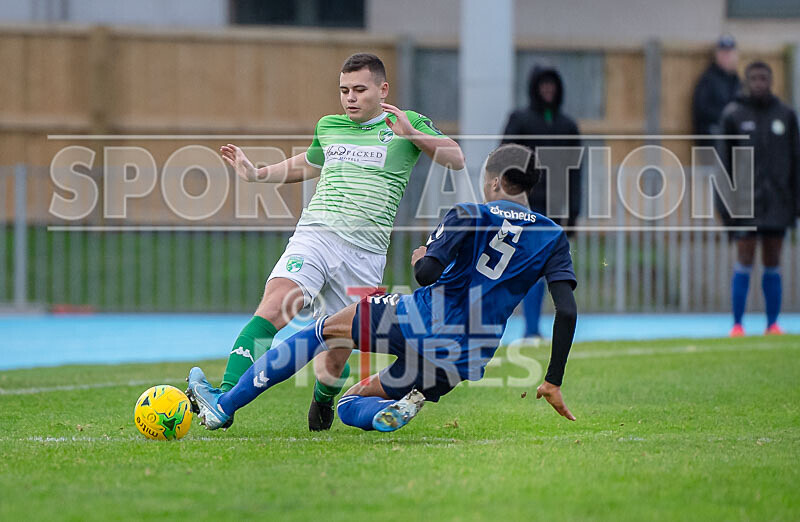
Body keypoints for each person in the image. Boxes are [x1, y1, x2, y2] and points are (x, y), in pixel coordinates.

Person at [186, 143, 579, 432]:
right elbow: (567, 310)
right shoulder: (552, 236)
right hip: (469, 352)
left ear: (493, 180)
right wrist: (553, 380)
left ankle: (224, 405)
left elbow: (426, 274)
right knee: (352, 402)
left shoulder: (468, 214)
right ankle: (382, 414)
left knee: (323, 330)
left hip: (424, 318)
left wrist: (422, 255)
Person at [216, 53, 464, 430]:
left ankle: (324, 397)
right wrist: (256, 174)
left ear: (383, 90)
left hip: (364, 252)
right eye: (344, 90)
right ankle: (222, 398)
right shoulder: (330, 125)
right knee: (274, 307)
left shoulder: (405, 122)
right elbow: (307, 163)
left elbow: (456, 158)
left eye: (359, 90)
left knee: (334, 353)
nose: (350, 98)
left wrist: (412, 135)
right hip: (315, 235)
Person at [501, 64, 582, 346]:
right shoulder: (520, 120)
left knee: (555, 271)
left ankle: (541, 329)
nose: (548, 89)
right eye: (543, 84)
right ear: (534, 88)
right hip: (527, 209)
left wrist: (574, 213)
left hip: (557, 210)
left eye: (552, 84)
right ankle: (531, 329)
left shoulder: (568, 126)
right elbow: (505, 159)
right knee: (531, 270)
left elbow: (576, 173)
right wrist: (508, 202)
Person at [718, 61, 800, 336]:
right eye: (754, 78)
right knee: (744, 258)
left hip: (778, 203)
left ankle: (772, 324)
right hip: (745, 203)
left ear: (772, 81)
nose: (759, 83)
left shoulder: (785, 115)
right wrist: (725, 206)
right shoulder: (734, 115)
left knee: (773, 261)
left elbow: (796, 162)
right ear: (746, 81)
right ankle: (737, 324)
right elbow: (723, 166)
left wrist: (795, 204)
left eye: (764, 78)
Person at [692, 35, 741, 138]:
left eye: (729, 53)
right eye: (723, 53)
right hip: (713, 139)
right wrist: (726, 114)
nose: (726, 57)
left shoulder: (737, 81)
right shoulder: (707, 80)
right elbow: (702, 110)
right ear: (716, 55)